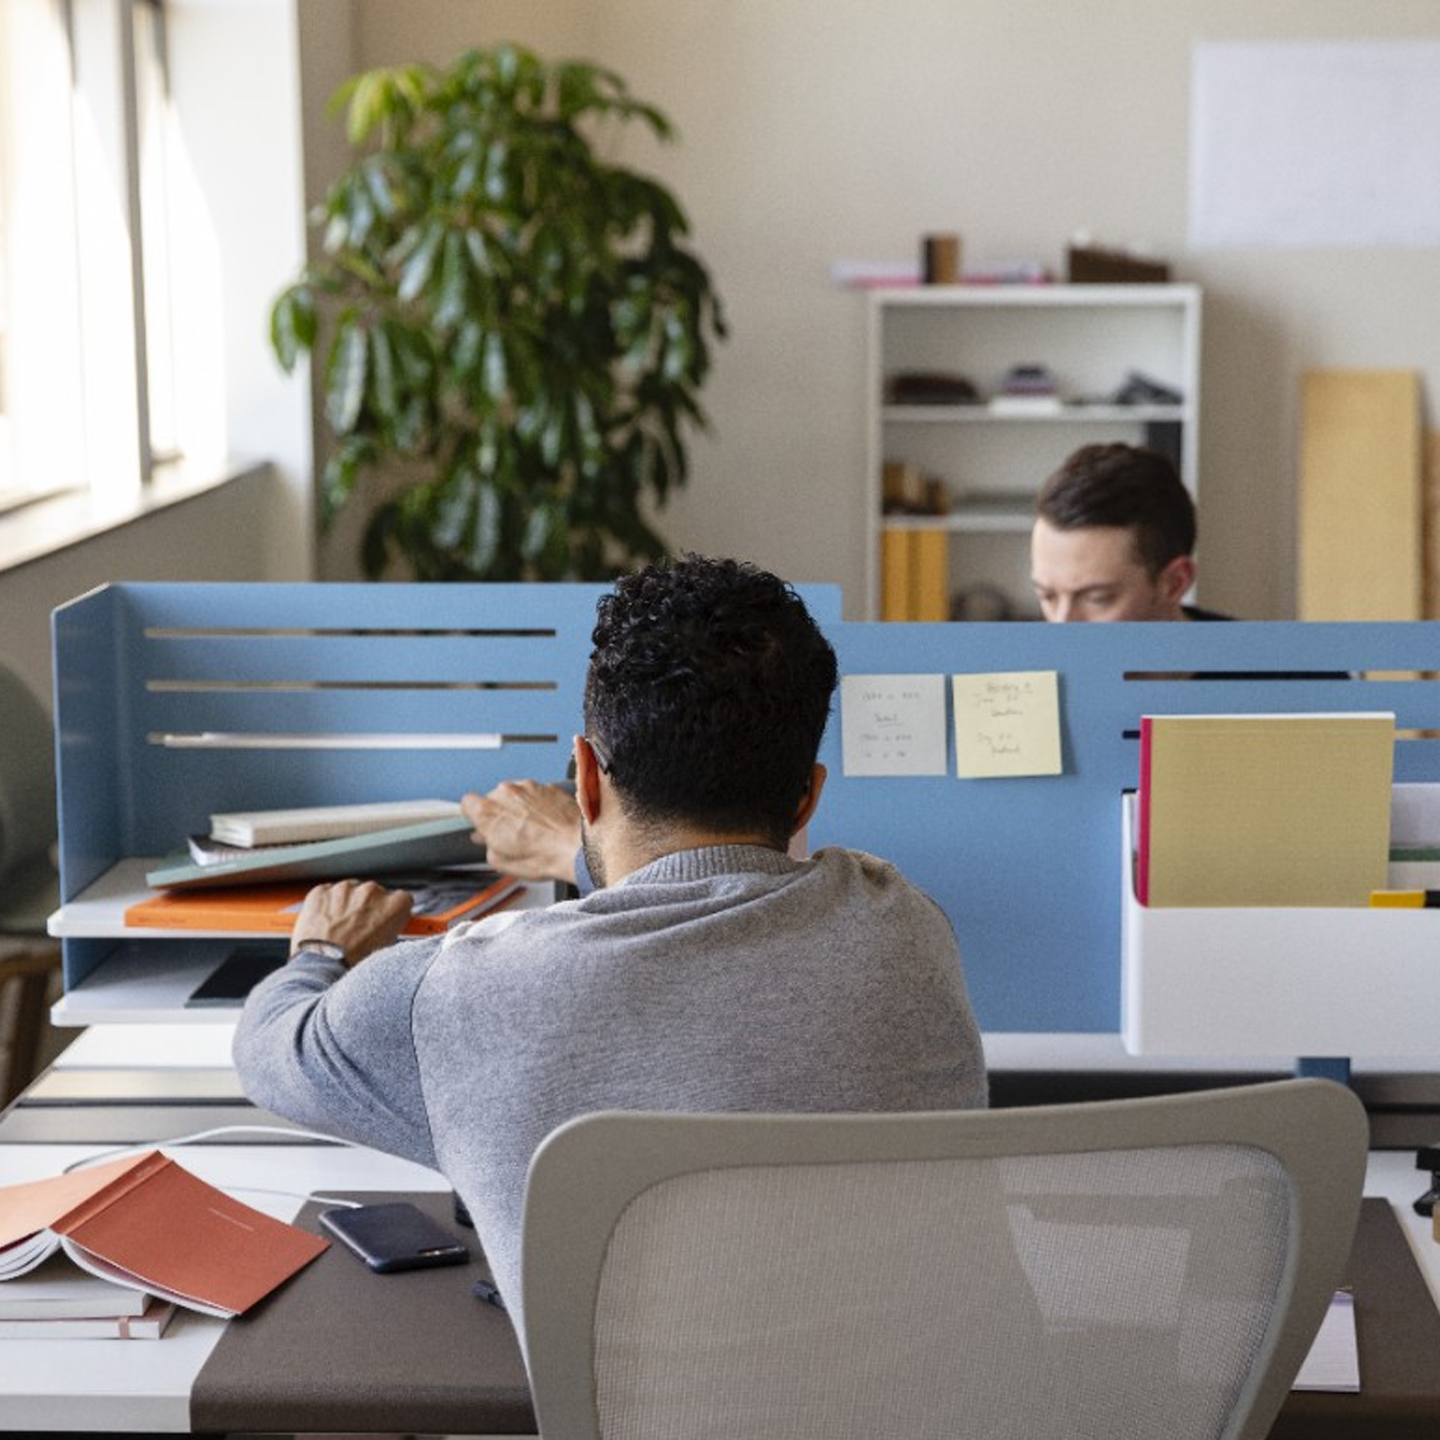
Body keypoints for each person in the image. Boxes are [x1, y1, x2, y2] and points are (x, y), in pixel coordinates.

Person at [232, 554, 988, 1351]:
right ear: (808, 794)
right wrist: (578, 854)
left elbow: (270, 1050)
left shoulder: (463, 996)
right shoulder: (906, 925)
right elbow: (708, 903)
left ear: (586, 777)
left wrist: (321, 948)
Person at [1029, 442, 1229, 622]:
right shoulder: (1018, 660)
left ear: (1175, 583)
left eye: (1097, 599)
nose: (1062, 625)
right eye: (1048, 596)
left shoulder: (1254, 659)